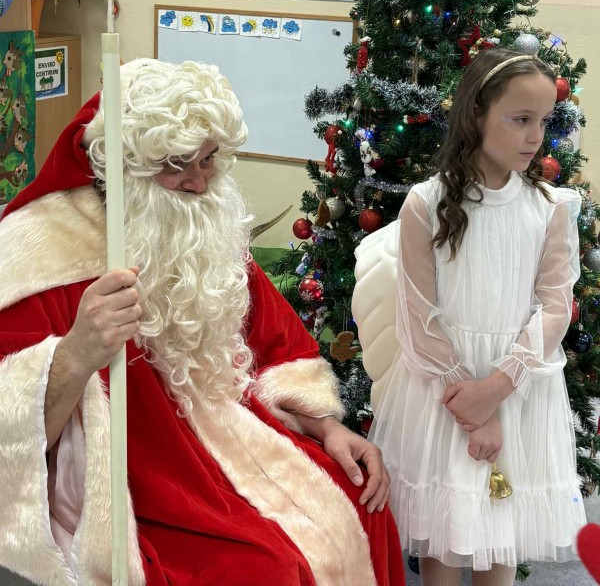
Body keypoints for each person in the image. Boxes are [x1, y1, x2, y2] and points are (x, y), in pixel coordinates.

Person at [0, 59, 404, 586]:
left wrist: (328, 426)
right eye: (176, 164)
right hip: (134, 485)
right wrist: (76, 353)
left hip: (236, 439)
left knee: (361, 505)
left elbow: (279, 345)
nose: (197, 183)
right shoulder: (39, 254)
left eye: (208, 159)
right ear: (123, 167)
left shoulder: (201, 226)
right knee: (265, 571)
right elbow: (12, 433)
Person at [366, 48, 586, 585]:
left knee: (500, 526)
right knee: (444, 528)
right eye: (520, 119)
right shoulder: (426, 203)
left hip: (517, 386)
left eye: (543, 121)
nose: (535, 136)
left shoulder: (550, 208)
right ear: (476, 115)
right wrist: (473, 406)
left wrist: (497, 388)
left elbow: (555, 305)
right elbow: (419, 317)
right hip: (443, 388)